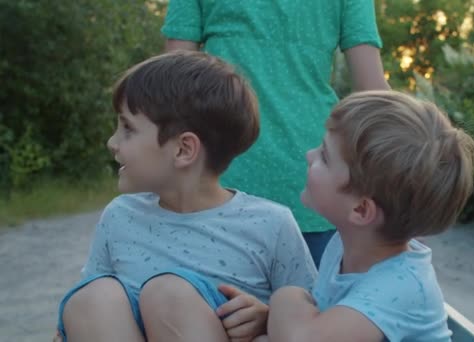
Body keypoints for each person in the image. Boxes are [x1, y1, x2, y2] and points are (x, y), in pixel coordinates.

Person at [55, 50, 317, 342]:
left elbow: (315, 321)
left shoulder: (271, 224)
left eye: (128, 128)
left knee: (170, 296)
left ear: (183, 150)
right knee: (92, 298)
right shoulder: (119, 216)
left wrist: (268, 319)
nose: (112, 143)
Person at [161, 0, 390, 266]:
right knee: (312, 305)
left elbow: (170, 87)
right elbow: (373, 92)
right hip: (314, 180)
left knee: (211, 304)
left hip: (216, 179)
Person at [265, 91, 474, 341]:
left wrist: (287, 298)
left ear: (361, 210)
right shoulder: (344, 245)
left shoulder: (399, 287)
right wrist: (268, 318)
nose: (309, 156)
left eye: (324, 156)